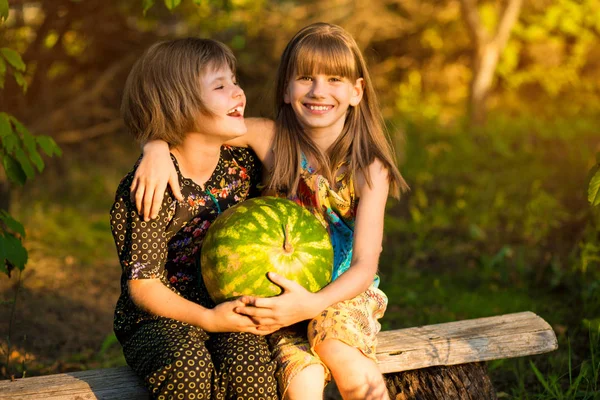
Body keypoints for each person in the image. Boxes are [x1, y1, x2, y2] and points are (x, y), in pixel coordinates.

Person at [134, 23, 409, 400]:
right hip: (275, 295)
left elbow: (365, 266)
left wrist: (312, 303)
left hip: (342, 295)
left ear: (357, 91)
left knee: (337, 350)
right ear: (285, 88)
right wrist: (155, 148)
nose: (318, 91)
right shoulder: (270, 137)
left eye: (334, 79)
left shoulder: (368, 168)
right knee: (301, 382)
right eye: (305, 78)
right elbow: (190, 121)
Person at [110, 37, 280, 400]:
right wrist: (207, 319)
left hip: (228, 305)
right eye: (220, 85)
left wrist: (152, 141)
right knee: (188, 369)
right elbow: (143, 286)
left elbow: (272, 131)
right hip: (157, 321)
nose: (238, 92)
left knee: (252, 368)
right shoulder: (151, 183)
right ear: (179, 106)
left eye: (235, 81)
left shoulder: (242, 166)